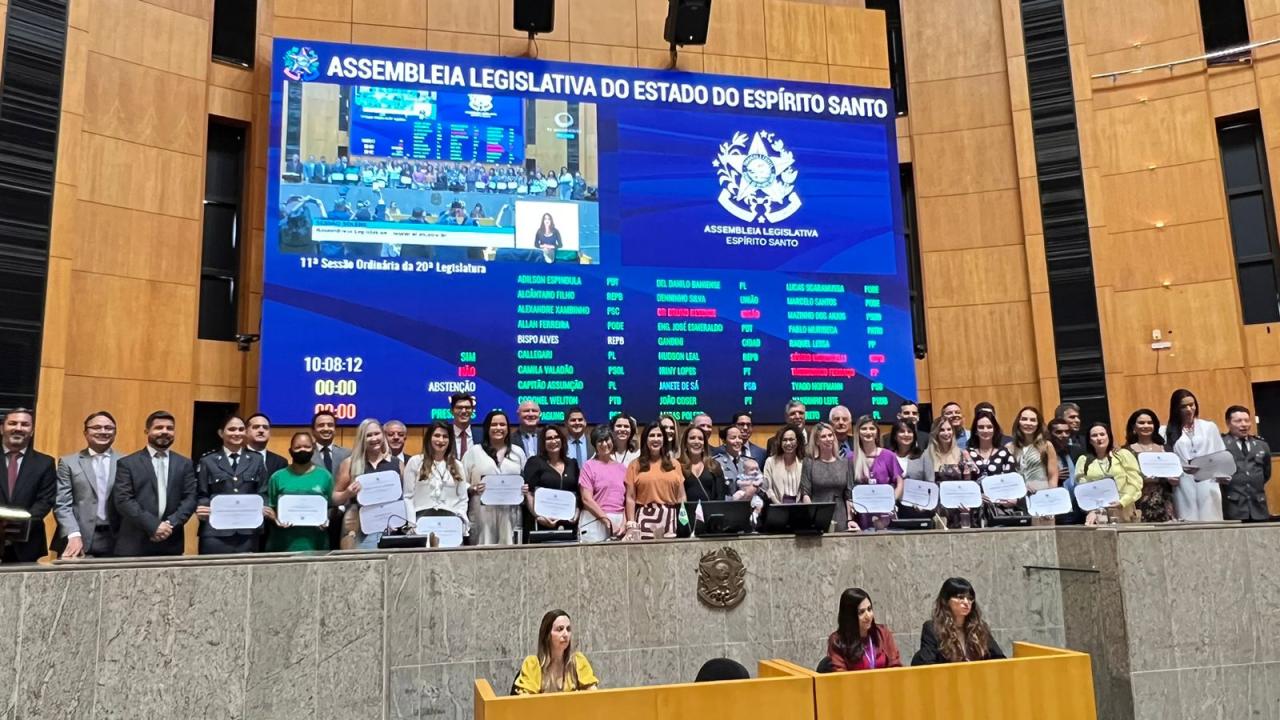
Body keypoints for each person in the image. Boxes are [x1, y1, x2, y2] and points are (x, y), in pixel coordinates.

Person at [110, 410, 197, 557]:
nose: (165, 431)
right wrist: (154, 526)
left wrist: (169, 525)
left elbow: (190, 498)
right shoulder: (128, 464)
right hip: (134, 542)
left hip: (170, 541)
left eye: (169, 428)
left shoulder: (185, 464)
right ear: (147, 431)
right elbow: (123, 500)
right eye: (159, 427)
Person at [195, 414, 268, 554]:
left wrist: (264, 505)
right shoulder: (208, 461)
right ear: (221, 433)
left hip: (248, 531)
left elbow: (263, 491)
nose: (237, 433)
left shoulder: (256, 460)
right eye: (232, 429)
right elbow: (201, 493)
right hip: (215, 532)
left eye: (241, 429)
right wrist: (202, 507)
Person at [54, 410, 123, 559]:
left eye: (108, 428)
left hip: (116, 539)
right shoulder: (68, 462)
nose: (103, 431)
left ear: (115, 432)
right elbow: (62, 503)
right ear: (85, 433)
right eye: (96, 427)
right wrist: (73, 534)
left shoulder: (127, 462)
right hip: (77, 538)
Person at [332, 418, 402, 549]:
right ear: (361, 439)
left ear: (383, 434)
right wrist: (348, 493)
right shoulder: (350, 463)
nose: (374, 438)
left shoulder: (396, 463)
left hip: (391, 529)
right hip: (360, 531)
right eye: (368, 435)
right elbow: (334, 498)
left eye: (377, 433)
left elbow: (404, 498)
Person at [0, 408, 56, 562]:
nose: (18, 428)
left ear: (31, 431)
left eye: (25, 425)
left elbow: (45, 501)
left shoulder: (45, 463)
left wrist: (17, 526)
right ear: (2, 428)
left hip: (27, 543)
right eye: (12, 423)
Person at [263, 431, 334, 552]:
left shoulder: (325, 476)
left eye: (307, 447)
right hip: (283, 544)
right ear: (290, 450)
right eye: (298, 447)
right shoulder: (277, 477)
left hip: (316, 544)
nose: (303, 450)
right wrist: (275, 519)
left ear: (313, 450)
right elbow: (271, 507)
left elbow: (332, 506)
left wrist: (327, 517)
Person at [464, 410, 527, 545]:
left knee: (511, 553)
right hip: (482, 513)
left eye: (502, 425)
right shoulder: (474, 452)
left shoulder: (518, 452)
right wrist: (473, 488)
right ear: (487, 428)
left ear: (508, 428)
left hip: (510, 513)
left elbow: (524, 480)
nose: (498, 428)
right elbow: (461, 483)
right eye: (494, 425)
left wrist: (525, 488)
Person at [911, 577, 1005, 665]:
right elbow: (928, 664)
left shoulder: (979, 627)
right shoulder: (933, 628)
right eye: (960, 597)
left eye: (970, 598)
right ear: (946, 601)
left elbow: (1000, 659)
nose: (966, 602)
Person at [1165, 388, 1226, 521]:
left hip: (1208, 480)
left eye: (1191, 405)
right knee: (1187, 520)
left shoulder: (1209, 427)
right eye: (1183, 406)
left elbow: (1220, 454)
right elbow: (1164, 460)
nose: (1189, 409)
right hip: (1182, 482)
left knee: (1212, 519)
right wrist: (1169, 477)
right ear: (1176, 409)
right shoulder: (1166, 431)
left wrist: (1221, 474)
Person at [402, 421, 469, 532]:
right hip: (421, 521)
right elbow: (408, 497)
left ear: (450, 440)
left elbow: (463, 499)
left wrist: (460, 521)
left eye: (445, 437)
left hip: (450, 521)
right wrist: (411, 523)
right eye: (437, 435)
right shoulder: (415, 462)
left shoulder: (458, 465)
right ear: (429, 438)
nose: (441, 440)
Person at [514, 610, 598, 694]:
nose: (566, 634)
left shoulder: (578, 661)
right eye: (560, 629)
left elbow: (593, 696)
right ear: (547, 635)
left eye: (568, 629)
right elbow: (525, 702)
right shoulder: (533, 664)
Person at [624, 424, 685, 539]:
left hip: (671, 518)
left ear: (664, 440)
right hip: (645, 518)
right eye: (652, 435)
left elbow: (681, 496)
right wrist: (631, 524)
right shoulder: (634, 465)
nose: (656, 439)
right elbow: (630, 497)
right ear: (645, 439)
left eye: (659, 435)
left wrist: (684, 522)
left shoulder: (675, 464)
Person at [1075, 422, 1142, 524]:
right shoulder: (1083, 460)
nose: (1099, 438)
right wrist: (1091, 510)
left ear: (1109, 436)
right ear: (1089, 440)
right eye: (1094, 435)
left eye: (1102, 434)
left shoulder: (1123, 455)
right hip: (1098, 513)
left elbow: (1135, 482)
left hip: (1124, 509)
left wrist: (1123, 502)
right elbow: (1083, 489)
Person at [522, 425, 580, 536]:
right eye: (549, 438)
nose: (553, 441)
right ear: (543, 443)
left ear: (562, 440)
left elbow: (577, 494)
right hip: (541, 523)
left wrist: (576, 513)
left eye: (556, 437)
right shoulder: (534, 462)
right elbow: (529, 493)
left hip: (568, 522)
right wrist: (538, 515)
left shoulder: (572, 464)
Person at [827, 588, 903, 671]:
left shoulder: (883, 633)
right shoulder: (837, 641)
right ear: (850, 617)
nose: (868, 616)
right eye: (861, 612)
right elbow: (841, 676)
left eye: (869, 609)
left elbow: (896, 667)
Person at [800, 422, 856, 531]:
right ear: (817, 441)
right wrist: (812, 517)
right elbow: (806, 493)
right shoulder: (809, 463)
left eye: (830, 435)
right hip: (817, 515)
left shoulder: (846, 463)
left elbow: (848, 495)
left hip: (840, 515)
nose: (828, 439)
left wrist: (850, 520)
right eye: (823, 436)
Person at [965, 411, 1017, 525]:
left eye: (989, 427)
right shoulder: (967, 454)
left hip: (1001, 509)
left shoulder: (1005, 453)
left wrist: (1009, 499)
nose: (985, 430)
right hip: (974, 510)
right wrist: (977, 495)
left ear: (995, 429)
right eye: (981, 427)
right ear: (975, 430)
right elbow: (965, 483)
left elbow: (1011, 481)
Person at [1124, 409, 1175, 523]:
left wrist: (1174, 480)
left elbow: (1174, 472)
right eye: (1141, 423)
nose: (1146, 426)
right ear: (1134, 426)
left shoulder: (1166, 449)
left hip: (1164, 502)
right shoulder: (1126, 452)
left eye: (1149, 422)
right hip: (1139, 503)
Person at [924, 417, 975, 528]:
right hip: (935, 511)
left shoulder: (963, 454)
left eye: (949, 429)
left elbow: (968, 483)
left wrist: (967, 503)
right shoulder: (926, 455)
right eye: (942, 430)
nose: (946, 433)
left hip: (959, 509)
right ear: (935, 433)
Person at [1223, 405, 1271, 521]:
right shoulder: (1221, 445)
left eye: (1247, 420)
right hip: (1234, 507)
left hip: (1259, 507)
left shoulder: (1261, 445)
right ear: (1228, 423)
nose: (1244, 424)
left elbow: (1266, 473)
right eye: (1238, 421)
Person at [578, 427, 626, 542]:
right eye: (600, 441)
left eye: (607, 440)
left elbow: (627, 499)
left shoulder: (622, 468)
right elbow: (586, 499)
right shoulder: (588, 466)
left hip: (619, 522)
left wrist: (624, 523)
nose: (604, 444)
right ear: (595, 444)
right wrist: (606, 521)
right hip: (595, 520)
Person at [1010, 406, 1057, 523]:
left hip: (1042, 496)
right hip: (1018, 500)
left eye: (1032, 420)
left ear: (1038, 424)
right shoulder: (1009, 448)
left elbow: (1053, 476)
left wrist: (1050, 500)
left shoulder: (1047, 446)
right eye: (1024, 419)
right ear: (1018, 422)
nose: (1028, 423)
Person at [681, 425, 731, 503]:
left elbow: (720, 497)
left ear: (704, 444)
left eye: (700, 439)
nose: (697, 442)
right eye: (692, 438)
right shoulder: (678, 466)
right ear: (685, 443)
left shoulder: (714, 466)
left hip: (710, 513)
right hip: (685, 514)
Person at [1048, 418, 1083, 525]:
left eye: (1067, 432)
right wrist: (1054, 476)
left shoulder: (1077, 451)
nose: (1064, 435)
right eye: (1058, 432)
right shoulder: (1044, 454)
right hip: (1055, 508)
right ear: (1049, 434)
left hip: (1078, 508)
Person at [763, 426, 805, 504]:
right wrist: (778, 504)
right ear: (780, 442)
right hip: (777, 507)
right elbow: (767, 488)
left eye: (791, 439)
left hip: (799, 508)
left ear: (797, 441)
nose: (788, 443)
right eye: (785, 440)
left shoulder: (803, 462)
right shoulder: (770, 462)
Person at [245, 413, 289, 478]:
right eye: (256, 427)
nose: (261, 430)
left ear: (269, 433)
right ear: (246, 432)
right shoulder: (237, 457)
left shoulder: (280, 462)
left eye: (265, 428)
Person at [449, 392, 480, 458]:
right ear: (451, 411)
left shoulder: (481, 435)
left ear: (472, 410)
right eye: (459, 408)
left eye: (467, 407)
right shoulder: (445, 434)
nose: (463, 411)